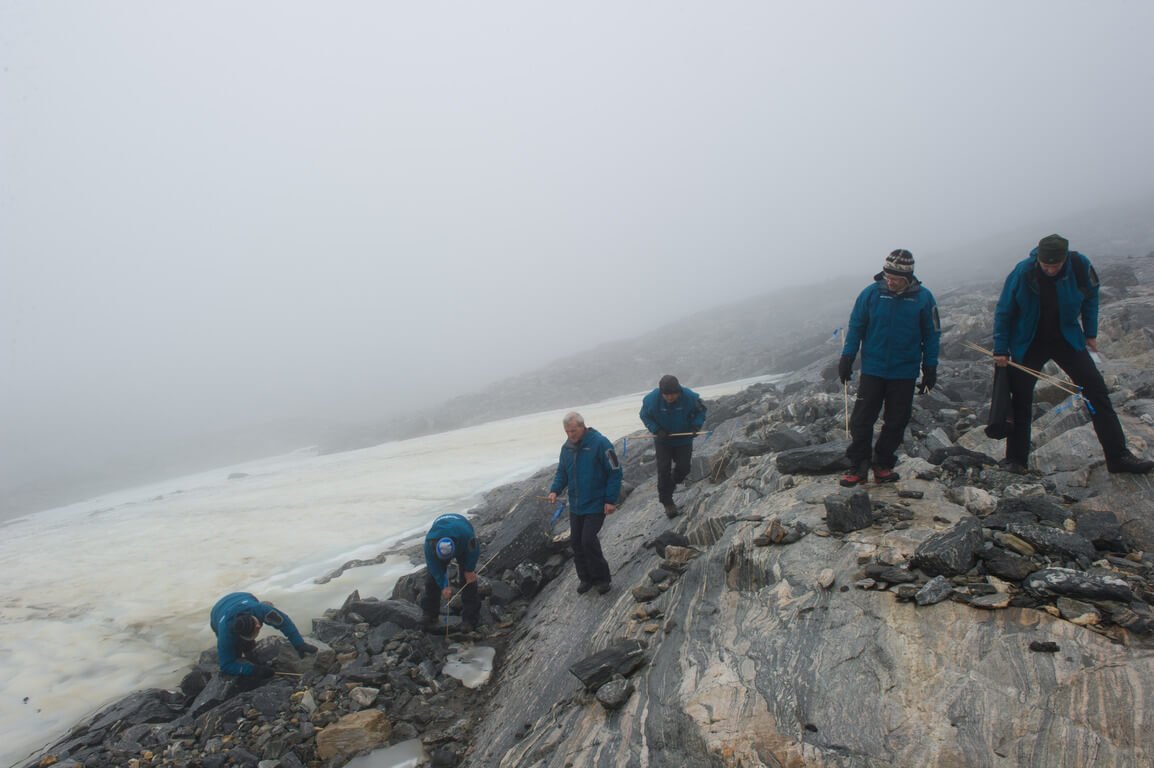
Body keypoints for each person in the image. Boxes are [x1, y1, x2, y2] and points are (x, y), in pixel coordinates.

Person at [992, 234, 1153, 474]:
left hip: (1067, 339)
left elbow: (1091, 297)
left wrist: (1090, 332)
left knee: (1096, 391)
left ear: (1064, 259)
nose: (1049, 270)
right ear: (1039, 260)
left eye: (1054, 266)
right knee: (1021, 400)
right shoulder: (1023, 271)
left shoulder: (1079, 265)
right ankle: (1016, 461)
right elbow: (1004, 310)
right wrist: (1000, 348)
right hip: (1030, 342)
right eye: (1045, 265)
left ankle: (1118, 456)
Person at [838, 249, 940, 486]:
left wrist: (930, 367)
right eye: (887, 276)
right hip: (873, 368)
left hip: (904, 371)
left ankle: (882, 464)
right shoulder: (871, 294)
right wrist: (847, 358)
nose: (889, 281)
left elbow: (932, 335)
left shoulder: (924, 298)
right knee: (861, 420)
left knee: (896, 421)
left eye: (895, 278)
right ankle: (858, 466)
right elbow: (856, 327)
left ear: (908, 276)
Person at [547, 411, 623, 595]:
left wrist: (610, 500)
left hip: (597, 502)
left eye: (573, 431)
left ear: (583, 426)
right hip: (576, 504)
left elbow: (615, 471)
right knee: (576, 541)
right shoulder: (566, 448)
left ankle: (602, 579)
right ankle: (585, 578)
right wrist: (555, 489)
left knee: (588, 540)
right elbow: (562, 472)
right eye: (567, 432)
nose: (570, 435)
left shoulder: (601, 443)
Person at [639, 374, 707, 517]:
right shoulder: (651, 400)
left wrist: (696, 426)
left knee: (684, 468)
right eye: (666, 395)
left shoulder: (690, 397)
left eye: (673, 395)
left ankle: (673, 481)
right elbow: (645, 415)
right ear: (661, 392)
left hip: (684, 439)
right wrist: (656, 429)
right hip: (663, 440)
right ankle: (667, 502)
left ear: (679, 391)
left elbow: (701, 411)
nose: (669, 398)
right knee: (663, 469)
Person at [209, 592, 317, 678]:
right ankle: (246, 649)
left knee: (268, 613)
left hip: (243, 596)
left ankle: (250, 651)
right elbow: (226, 665)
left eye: (257, 626)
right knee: (235, 654)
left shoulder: (260, 610)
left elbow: (284, 622)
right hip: (217, 613)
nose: (258, 628)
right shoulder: (225, 635)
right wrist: (254, 671)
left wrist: (299, 644)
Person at [420, 512, 482, 631]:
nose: (448, 561)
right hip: (445, 529)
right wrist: (444, 586)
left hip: (461, 527)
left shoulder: (466, 537)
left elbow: (474, 551)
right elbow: (434, 567)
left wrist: (469, 569)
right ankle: (429, 614)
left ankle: (469, 620)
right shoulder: (429, 543)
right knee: (431, 580)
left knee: (468, 581)